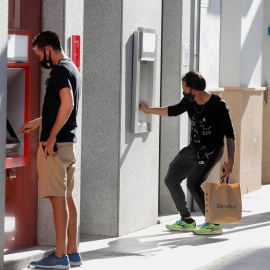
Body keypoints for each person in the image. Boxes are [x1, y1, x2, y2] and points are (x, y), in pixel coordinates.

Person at [139, 70, 235, 235]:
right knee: (171, 178)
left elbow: (230, 135)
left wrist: (230, 161)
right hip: (194, 148)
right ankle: (187, 220)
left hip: (212, 150)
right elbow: (173, 110)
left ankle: (213, 223)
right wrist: (148, 111)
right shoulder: (189, 101)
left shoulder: (218, 105)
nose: (183, 91)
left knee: (193, 183)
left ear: (194, 91)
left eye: (184, 88)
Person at [18, 31, 82, 269]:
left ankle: (59, 256)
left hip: (55, 146)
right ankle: (73, 252)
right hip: (68, 143)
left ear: (47, 49)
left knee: (58, 200)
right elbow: (63, 109)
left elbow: (68, 104)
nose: (38, 59)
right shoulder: (72, 67)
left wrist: (51, 137)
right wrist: (39, 122)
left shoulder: (59, 71)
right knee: (66, 198)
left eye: (38, 54)